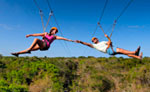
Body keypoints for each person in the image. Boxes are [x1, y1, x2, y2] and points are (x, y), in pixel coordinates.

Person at [75, 34, 143, 60]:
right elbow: (86, 44)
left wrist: (108, 38)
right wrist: (80, 41)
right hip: (109, 51)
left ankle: (138, 57)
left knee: (125, 53)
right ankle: (134, 52)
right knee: (121, 49)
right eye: (93, 40)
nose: (95, 40)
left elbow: (110, 42)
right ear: (93, 42)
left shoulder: (103, 42)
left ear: (97, 39)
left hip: (110, 49)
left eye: (95, 39)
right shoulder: (94, 46)